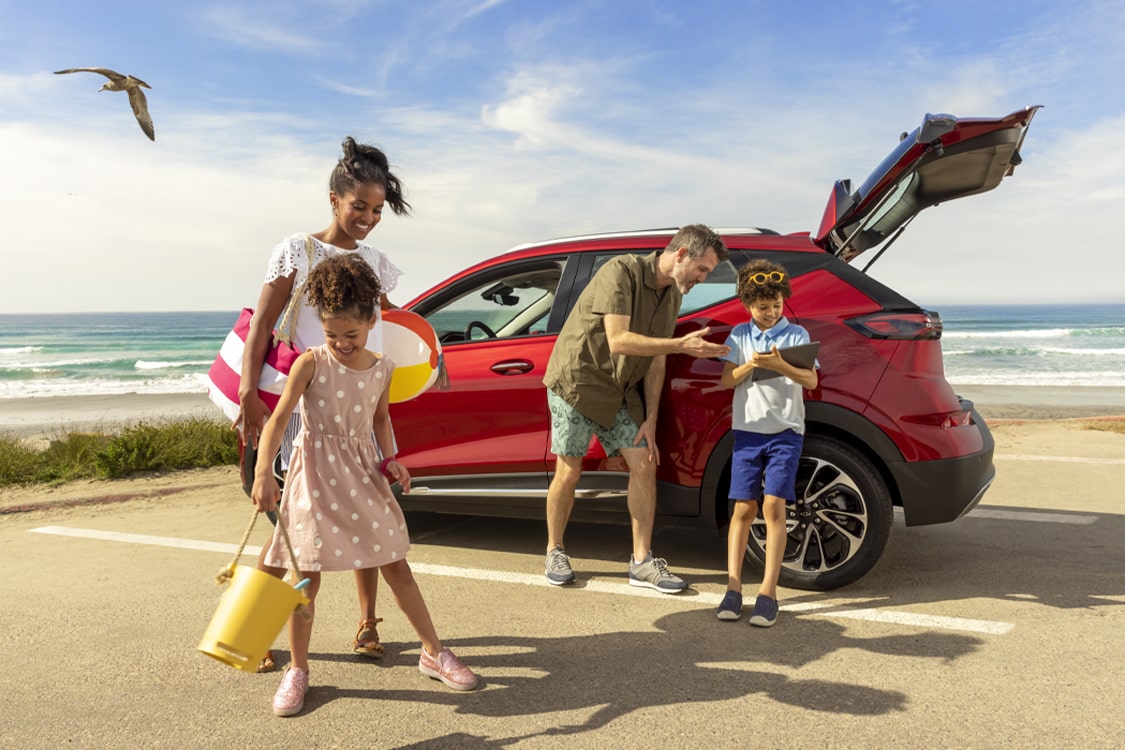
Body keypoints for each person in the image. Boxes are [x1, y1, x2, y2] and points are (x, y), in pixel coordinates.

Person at [251, 254, 478, 717]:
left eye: (351, 335)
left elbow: (380, 419)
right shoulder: (310, 364)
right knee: (305, 577)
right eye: (332, 334)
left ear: (372, 322)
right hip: (312, 474)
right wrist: (261, 473)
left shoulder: (382, 367)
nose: (341, 343)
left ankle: (433, 652)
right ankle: (299, 671)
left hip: (362, 471)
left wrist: (392, 460)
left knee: (395, 561)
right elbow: (278, 421)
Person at [238, 136, 407, 670]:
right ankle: (252, 632)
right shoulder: (298, 250)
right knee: (291, 536)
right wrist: (248, 392)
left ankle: (367, 624)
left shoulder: (376, 261)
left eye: (378, 210)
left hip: (357, 410)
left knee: (367, 522)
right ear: (333, 199)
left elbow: (388, 321)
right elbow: (263, 325)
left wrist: (434, 349)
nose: (368, 218)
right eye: (359, 206)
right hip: (304, 410)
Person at [542, 224, 731, 592]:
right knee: (570, 471)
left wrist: (652, 417)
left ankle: (642, 562)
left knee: (645, 462)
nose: (703, 278)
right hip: (578, 382)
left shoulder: (673, 294)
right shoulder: (621, 272)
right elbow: (618, 340)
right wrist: (680, 346)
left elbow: (657, 358)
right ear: (681, 255)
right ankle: (554, 549)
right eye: (702, 270)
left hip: (620, 389)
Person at [716, 259, 818, 626]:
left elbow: (810, 382)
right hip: (747, 433)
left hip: (786, 433)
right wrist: (752, 366)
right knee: (743, 509)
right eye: (763, 307)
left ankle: (768, 592)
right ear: (748, 305)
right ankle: (732, 588)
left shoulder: (797, 335)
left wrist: (781, 366)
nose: (771, 312)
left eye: (776, 305)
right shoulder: (739, 337)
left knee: (774, 506)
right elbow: (728, 380)